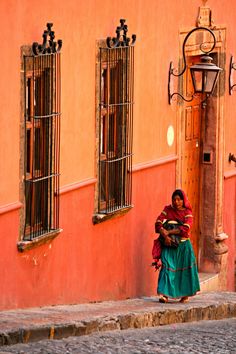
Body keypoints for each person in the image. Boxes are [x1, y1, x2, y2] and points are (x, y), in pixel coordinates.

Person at [155, 189, 200, 303]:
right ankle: (164, 295)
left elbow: (185, 229)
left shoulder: (187, 213)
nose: (176, 202)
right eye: (174, 199)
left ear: (183, 200)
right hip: (168, 244)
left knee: (183, 271)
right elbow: (158, 222)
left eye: (179, 200)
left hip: (183, 246)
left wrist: (168, 232)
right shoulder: (167, 210)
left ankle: (184, 294)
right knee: (166, 267)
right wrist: (164, 234)